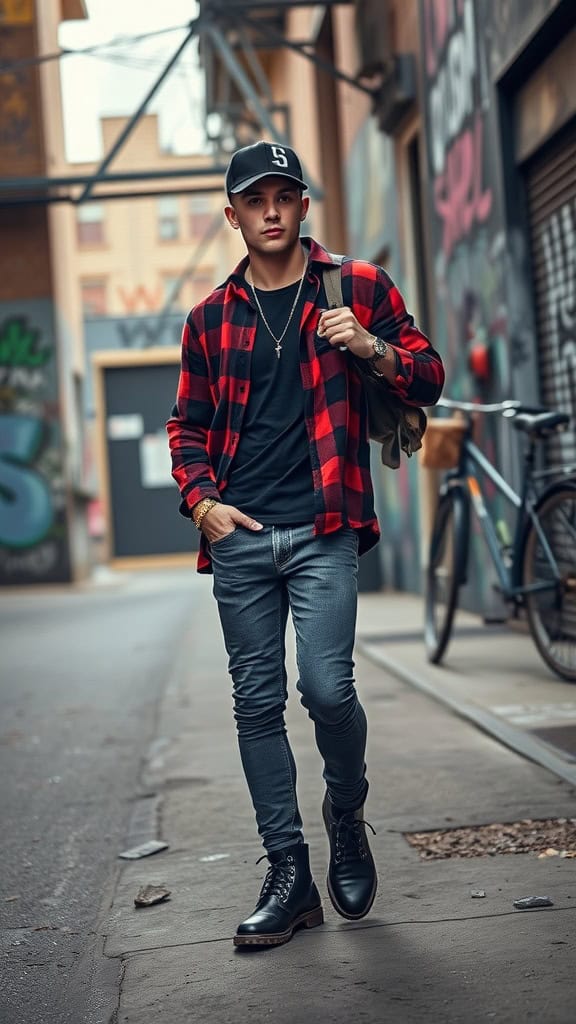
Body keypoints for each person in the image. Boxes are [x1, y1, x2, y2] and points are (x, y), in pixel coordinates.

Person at [167, 140, 444, 949]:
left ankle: (346, 813)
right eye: (256, 200)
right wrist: (202, 504)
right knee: (256, 705)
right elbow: (185, 426)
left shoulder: (356, 286)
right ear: (234, 216)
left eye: (285, 196)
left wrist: (372, 347)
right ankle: (287, 874)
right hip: (241, 540)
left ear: (302, 206)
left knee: (325, 689)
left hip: (325, 527)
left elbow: (426, 376)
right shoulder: (210, 319)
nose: (272, 211)